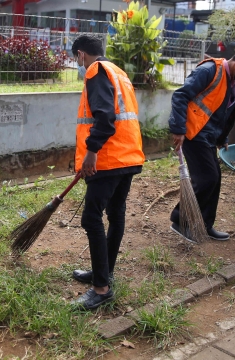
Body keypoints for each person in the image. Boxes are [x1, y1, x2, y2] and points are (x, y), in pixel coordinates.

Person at [70, 35, 145, 310]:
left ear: (81, 55)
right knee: (116, 214)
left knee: (91, 218)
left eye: (75, 59)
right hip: (129, 156)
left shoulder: (96, 71)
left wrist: (91, 152)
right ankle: (104, 273)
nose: (77, 64)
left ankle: (101, 289)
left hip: (109, 159)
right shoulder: (120, 73)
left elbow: (105, 117)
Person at [169, 47, 235, 243]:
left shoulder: (234, 82)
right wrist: (178, 129)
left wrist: (222, 139)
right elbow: (180, 96)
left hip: (209, 136)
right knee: (207, 178)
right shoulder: (209, 71)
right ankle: (180, 221)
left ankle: (204, 224)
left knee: (215, 178)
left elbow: (222, 111)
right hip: (193, 133)